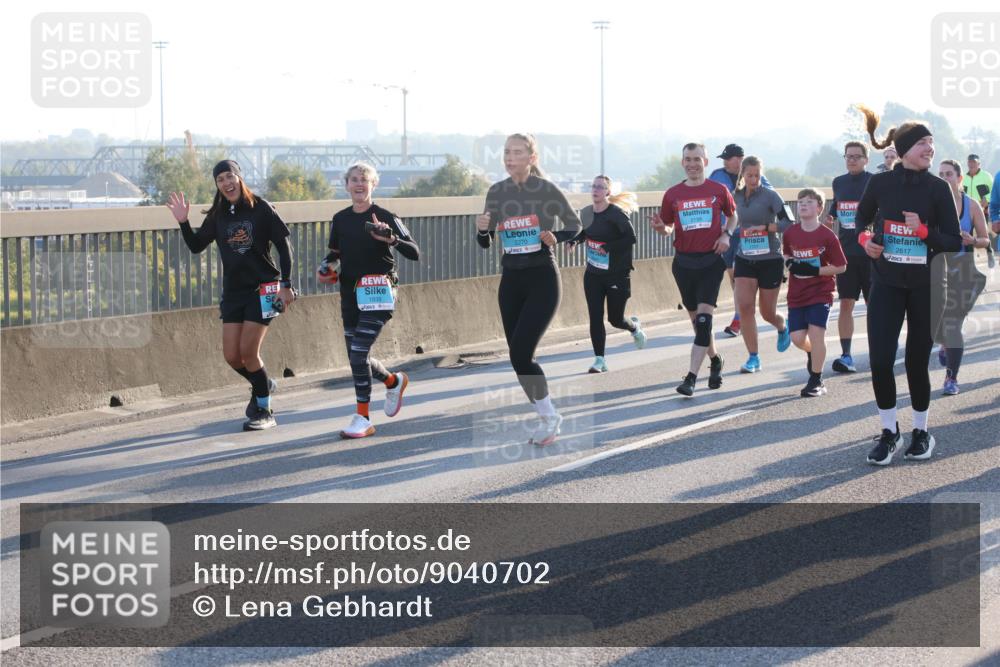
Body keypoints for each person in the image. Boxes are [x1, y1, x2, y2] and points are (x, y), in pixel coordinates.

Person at [855, 106, 962, 465]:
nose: (930, 148)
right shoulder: (880, 183)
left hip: (926, 286)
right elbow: (859, 221)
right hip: (886, 282)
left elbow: (952, 242)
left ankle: (921, 431)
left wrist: (923, 231)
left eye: (931, 142)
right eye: (922, 143)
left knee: (916, 362)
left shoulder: (938, 188)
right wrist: (866, 241)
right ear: (903, 151)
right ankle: (889, 432)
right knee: (880, 361)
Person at [167, 159, 295, 431]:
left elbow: (284, 247)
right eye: (220, 179)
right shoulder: (218, 215)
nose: (226, 183)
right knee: (232, 357)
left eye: (229, 176)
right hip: (234, 292)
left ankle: (264, 410)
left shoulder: (261, 208)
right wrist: (183, 221)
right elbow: (196, 246)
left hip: (263, 289)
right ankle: (262, 383)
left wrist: (286, 285)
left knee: (249, 352)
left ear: (239, 178)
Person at [477, 133, 582, 446]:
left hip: (542, 279)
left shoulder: (545, 190)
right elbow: (485, 242)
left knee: (522, 353)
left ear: (532, 158)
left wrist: (556, 237)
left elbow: (575, 225)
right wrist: (482, 230)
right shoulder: (497, 192)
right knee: (517, 357)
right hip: (511, 281)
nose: (510, 158)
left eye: (517, 152)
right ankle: (546, 415)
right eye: (506, 152)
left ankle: (550, 417)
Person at [320, 162, 420, 439]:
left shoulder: (386, 216)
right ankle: (393, 381)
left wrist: (391, 239)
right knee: (357, 356)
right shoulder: (340, 219)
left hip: (379, 292)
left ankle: (362, 417)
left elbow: (415, 252)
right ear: (346, 185)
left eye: (364, 179)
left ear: (373, 184)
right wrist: (326, 268)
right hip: (350, 293)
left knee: (358, 354)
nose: (359, 184)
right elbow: (335, 254)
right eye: (354, 179)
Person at [652, 143, 735, 396]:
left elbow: (733, 215)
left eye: (697, 159)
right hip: (684, 265)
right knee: (698, 325)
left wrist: (727, 235)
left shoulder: (718, 190)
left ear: (705, 162)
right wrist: (661, 229)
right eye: (688, 159)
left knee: (703, 320)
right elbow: (668, 227)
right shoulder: (673, 194)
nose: (692, 164)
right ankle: (716, 359)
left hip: (711, 262)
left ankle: (690, 378)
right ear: (682, 163)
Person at [570, 175, 646, 373]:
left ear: (608, 192)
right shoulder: (586, 212)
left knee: (615, 319)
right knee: (595, 317)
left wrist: (608, 247)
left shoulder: (616, 214)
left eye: (600, 187)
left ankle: (634, 327)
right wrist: (575, 241)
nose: (596, 190)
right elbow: (585, 232)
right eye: (594, 186)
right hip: (593, 274)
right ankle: (600, 360)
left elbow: (631, 238)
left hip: (617, 274)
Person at [731, 156, 794, 373]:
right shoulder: (735, 196)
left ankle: (782, 325)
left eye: (757, 175)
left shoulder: (771, 195)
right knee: (745, 307)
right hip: (745, 257)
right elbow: (726, 218)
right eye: (749, 175)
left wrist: (766, 228)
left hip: (770, 259)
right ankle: (753, 357)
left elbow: (788, 222)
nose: (753, 179)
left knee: (767, 313)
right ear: (742, 174)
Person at [783, 189, 847, 397]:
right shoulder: (790, 233)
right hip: (796, 294)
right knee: (797, 338)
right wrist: (789, 263)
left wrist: (815, 270)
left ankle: (816, 379)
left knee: (816, 333)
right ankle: (813, 353)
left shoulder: (827, 236)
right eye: (801, 201)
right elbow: (786, 253)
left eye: (809, 201)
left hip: (821, 292)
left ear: (819, 208)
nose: (803, 204)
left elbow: (841, 266)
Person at [934, 159, 990, 395]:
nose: (944, 178)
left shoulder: (971, 205)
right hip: (937, 271)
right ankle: (945, 344)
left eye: (949, 174)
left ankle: (951, 378)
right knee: (940, 325)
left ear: (959, 178)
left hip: (964, 272)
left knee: (953, 323)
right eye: (940, 174)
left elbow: (985, 239)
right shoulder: (932, 204)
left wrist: (973, 240)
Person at [708, 144, 773, 338]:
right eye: (725, 159)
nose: (726, 162)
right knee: (733, 275)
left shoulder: (754, 175)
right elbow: (707, 197)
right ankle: (742, 312)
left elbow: (771, 195)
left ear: (739, 159)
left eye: (729, 158)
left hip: (749, 233)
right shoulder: (717, 176)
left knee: (741, 276)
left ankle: (740, 317)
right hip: (727, 233)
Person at [826, 141, 874, 373]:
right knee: (846, 303)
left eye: (857, 156)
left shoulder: (874, 182)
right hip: (846, 254)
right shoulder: (839, 182)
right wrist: (828, 219)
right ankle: (846, 355)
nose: (852, 160)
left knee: (874, 305)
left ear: (866, 159)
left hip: (871, 253)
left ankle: (879, 348)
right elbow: (836, 208)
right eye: (848, 156)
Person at [963, 154, 995, 268]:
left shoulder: (986, 176)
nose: (971, 164)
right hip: (967, 212)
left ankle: (989, 252)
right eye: (970, 162)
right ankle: (970, 263)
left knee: (983, 235)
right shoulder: (963, 177)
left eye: (974, 162)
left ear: (978, 164)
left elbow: (995, 191)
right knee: (968, 236)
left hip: (982, 211)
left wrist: (987, 199)